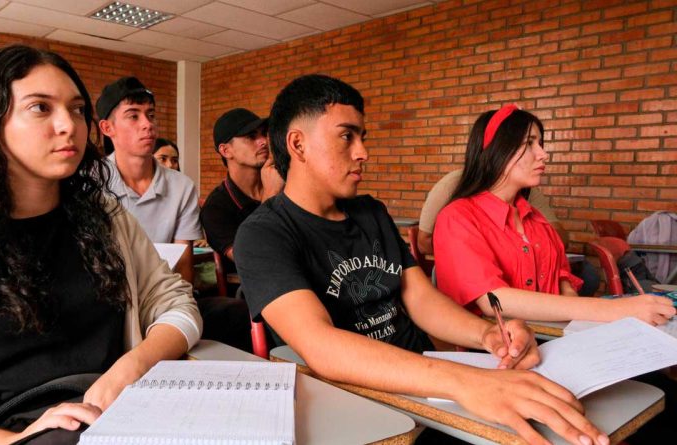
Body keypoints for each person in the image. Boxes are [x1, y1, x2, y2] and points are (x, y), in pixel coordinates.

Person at [235, 74, 609, 445]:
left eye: (363, 137)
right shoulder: (263, 233)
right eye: (347, 136)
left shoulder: (370, 212)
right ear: (298, 145)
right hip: (354, 399)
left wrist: (488, 334)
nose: (362, 151)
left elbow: (421, 299)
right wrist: (464, 381)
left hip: (426, 384)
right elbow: (322, 346)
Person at [0, 45, 201, 445]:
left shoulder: (107, 220)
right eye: (40, 108)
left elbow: (176, 302)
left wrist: (132, 366)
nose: (69, 125)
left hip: (122, 412)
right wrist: (15, 442)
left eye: (78, 109)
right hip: (9, 434)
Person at [433, 104, 675, 325]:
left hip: (551, 340)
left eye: (540, 143)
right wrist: (608, 310)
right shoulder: (458, 217)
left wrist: (576, 319)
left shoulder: (537, 220)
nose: (542, 154)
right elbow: (493, 300)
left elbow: (562, 279)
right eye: (529, 143)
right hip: (494, 351)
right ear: (497, 148)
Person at [418, 168, 600, 296]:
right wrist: (477, 251)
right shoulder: (454, 195)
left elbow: (557, 236)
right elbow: (423, 242)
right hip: (497, 308)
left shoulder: (529, 200)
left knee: (588, 273)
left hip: (535, 303)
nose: (542, 154)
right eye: (527, 144)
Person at [97, 77, 202, 283]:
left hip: (163, 294)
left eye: (151, 115)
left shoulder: (181, 186)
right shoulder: (90, 181)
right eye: (133, 116)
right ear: (107, 128)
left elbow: (183, 266)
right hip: (108, 297)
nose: (148, 124)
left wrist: (178, 311)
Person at [200, 108, 283, 276]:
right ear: (225, 151)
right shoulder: (216, 208)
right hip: (257, 291)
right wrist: (270, 197)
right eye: (251, 136)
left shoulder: (284, 183)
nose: (263, 142)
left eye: (263, 134)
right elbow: (253, 260)